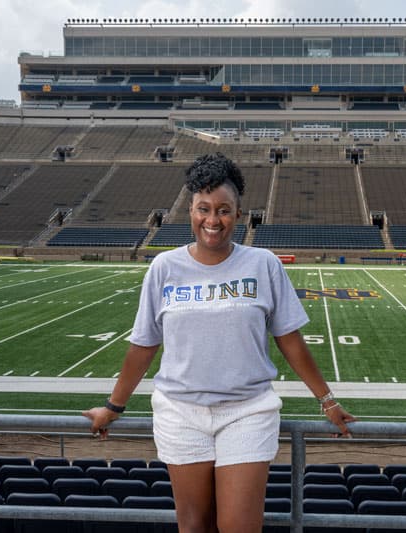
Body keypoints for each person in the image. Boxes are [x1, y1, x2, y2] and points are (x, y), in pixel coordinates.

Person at [84, 153, 355, 533]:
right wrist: (113, 407)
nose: (213, 221)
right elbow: (143, 345)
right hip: (181, 411)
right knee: (194, 527)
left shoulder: (263, 264)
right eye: (204, 209)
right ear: (191, 211)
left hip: (248, 410)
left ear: (239, 214)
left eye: (224, 210)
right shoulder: (164, 267)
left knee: (238, 528)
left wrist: (327, 400)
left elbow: (289, 339)